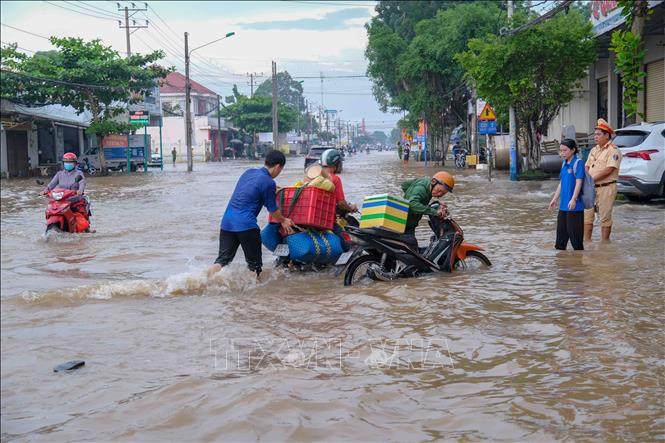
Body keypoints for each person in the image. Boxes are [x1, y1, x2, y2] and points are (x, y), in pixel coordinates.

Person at [209, 150, 295, 279]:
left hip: (227, 223)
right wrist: (283, 220)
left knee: (222, 260)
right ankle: (254, 295)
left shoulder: (248, 172)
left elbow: (252, 188)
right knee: (254, 266)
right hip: (247, 226)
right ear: (278, 166)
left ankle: (205, 281)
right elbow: (272, 210)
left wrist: (272, 188)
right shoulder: (268, 182)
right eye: (280, 170)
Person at [584, 118, 622, 242]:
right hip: (590, 187)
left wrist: (589, 180)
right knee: (587, 216)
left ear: (607, 135)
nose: (595, 137)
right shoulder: (594, 150)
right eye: (595, 134)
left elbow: (609, 170)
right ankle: (587, 242)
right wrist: (585, 179)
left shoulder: (613, 150)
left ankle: (605, 243)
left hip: (606, 187)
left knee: (605, 217)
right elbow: (587, 166)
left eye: (598, 134)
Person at [400, 171, 454, 248]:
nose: (438, 195)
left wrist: (411, 193)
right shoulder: (421, 188)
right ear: (433, 182)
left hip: (409, 224)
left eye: (442, 194)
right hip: (405, 224)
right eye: (439, 191)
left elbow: (404, 185)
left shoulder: (426, 184)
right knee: (412, 249)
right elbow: (412, 204)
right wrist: (435, 212)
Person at [549, 139, 584, 250]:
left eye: (565, 150)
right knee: (560, 239)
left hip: (574, 206)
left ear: (573, 150)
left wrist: (573, 199)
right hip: (563, 206)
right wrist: (554, 199)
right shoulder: (564, 163)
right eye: (561, 151)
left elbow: (579, 182)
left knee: (576, 240)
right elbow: (561, 183)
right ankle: (560, 263)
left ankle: (579, 264)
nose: (562, 153)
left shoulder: (578, 163)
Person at [320, 148, 358, 251]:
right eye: (340, 163)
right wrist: (350, 208)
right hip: (327, 220)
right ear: (335, 164)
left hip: (313, 216)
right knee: (347, 245)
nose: (341, 166)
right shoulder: (335, 179)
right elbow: (341, 203)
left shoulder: (313, 176)